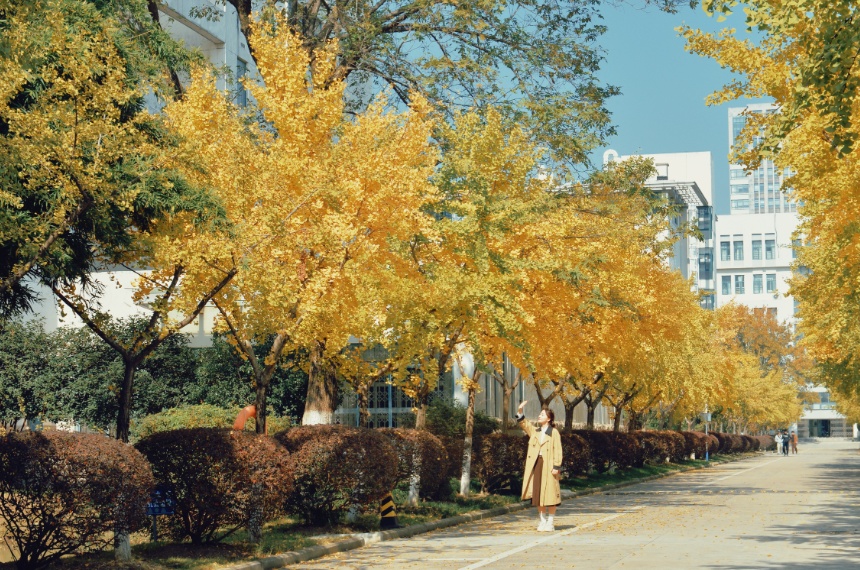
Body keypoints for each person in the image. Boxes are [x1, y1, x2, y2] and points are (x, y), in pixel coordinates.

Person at [516, 400, 563, 532]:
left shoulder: (554, 432)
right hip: (537, 464)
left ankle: (550, 522)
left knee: (550, 494)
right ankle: (542, 520)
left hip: (549, 465)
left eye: (542, 415)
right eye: (540, 414)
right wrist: (520, 411)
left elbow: (558, 450)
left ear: (549, 418)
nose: (539, 416)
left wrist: (556, 466)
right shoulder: (535, 431)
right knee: (537, 494)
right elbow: (524, 424)